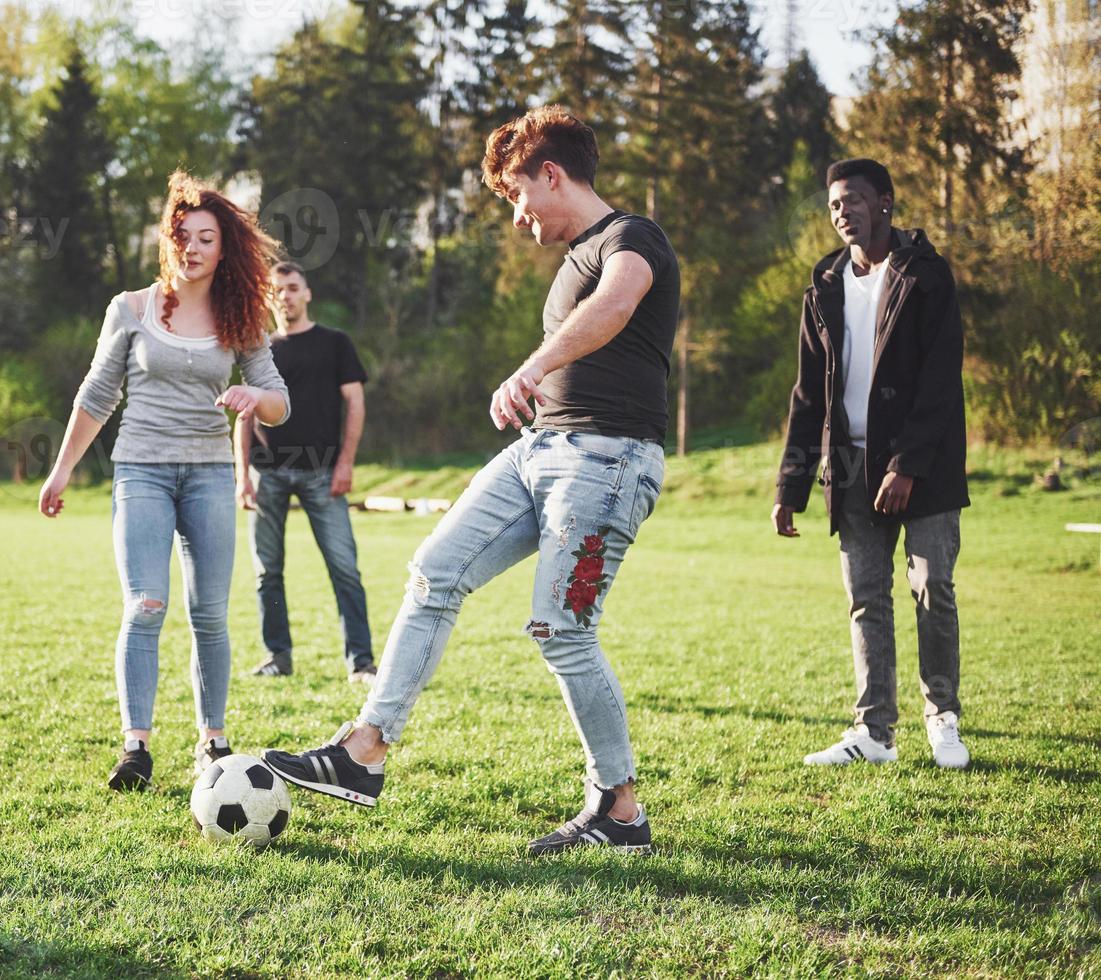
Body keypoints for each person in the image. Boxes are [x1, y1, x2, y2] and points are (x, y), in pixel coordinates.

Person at [263, 106, 680, 856]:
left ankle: (619, 810)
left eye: (517, 196)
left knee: (561, 628)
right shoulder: (572, 258)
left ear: (550, 174)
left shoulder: (630, 237)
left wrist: (531, 366)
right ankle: (363, 752)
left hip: (606, 460)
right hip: (537, 450)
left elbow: (616, 305)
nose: (517, 217)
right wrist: (537, 384)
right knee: (432, 572)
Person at [38, 171, 291, 792]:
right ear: (166, 241)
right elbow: (98, 393)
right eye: (182, 235)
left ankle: (212, 742)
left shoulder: (243, 317)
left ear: (224, 247)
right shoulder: (129, 308)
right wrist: (62, 468)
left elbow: (281, 403)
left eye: (206, 237)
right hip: (141, 471)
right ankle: (136, 748)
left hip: (209, 474)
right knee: (144, 604)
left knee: (208, 612)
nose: (194, 247)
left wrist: (252, 395)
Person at [771, 158, 971, 770]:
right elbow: (809, 394)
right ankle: (874, 733)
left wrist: (906, 464)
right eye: (834, 204)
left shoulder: (927, 276)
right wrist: (791, 484)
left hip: (925, 466)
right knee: (865, 596)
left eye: (854, 199)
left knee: (932, 586)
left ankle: (943, 719)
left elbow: (941, 384)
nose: (842, 211)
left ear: (885, 202)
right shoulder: (824, 284)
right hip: (848, 467)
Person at [234, 261, 377, 685]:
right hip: (268, 475)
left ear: (307, 293)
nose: (286, 296)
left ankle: (361, 662)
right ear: (267, 297)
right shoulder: (258, 349)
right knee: (267, 570)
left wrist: (346, 462)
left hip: (322, 473)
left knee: (344, 567)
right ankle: (278, 656)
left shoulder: (334, 343)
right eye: (277, 290)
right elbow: (243, 414)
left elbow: (355, 403)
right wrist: (242, 476)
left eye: (293, 288)